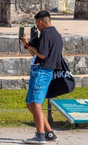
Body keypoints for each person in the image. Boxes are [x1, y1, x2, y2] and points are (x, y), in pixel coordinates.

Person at [20, 11, 62, 144]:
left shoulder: (45, 34)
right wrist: (27, 44)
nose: (36, 27)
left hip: (41, 71)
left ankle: (40, 134)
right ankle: (49, 132)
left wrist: (33, 48)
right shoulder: (56, 34)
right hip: (44, 70)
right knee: (30, 103)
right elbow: (36, 54)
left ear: (40, 22)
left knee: (36, 104)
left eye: (36, 24)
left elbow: (42, 55)